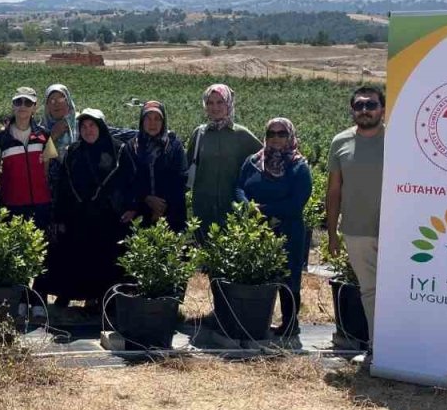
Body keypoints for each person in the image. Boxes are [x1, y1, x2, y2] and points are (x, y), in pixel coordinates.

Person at [38, 108, 137, 309]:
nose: (88, 130)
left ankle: (99, 301)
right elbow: (63, 187)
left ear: (100, 127)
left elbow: (131, 182)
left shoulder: (118, 150)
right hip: (77, 218)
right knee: (74, 260)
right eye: (83, 126)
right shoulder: (74, 151)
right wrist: (58, 217)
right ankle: (67, 295)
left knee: (103, 262)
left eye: (92, 125)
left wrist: (131, 207)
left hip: (109, 219)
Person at [234, 117, 312, 346]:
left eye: (281, 134)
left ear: (290, 136)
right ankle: (259, 321)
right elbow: (239, 186)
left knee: (289, 277)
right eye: (271, 134)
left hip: (288, 229)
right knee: (259, 275)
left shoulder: (299, 166)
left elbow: (296, 203)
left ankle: (290, 323)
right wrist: (246, 206)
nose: (276, 138)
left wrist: (263, 210)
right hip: (256, 228)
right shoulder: (253, 162)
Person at [327, 86, 386, 348]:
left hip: (395, 230)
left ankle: (400, 350)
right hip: (356, 229)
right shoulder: (340, 142)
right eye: (359, 105)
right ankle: (376, 348)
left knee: (397, 290)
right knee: (370, 290)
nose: (365, 110)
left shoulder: (399, 139)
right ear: (352, 110)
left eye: (371, 105)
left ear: (382, 109)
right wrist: (331, 234)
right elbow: (334, 190)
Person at [186, 83, 264, 240]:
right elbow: (187, 166)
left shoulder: (241, 135)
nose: (215, 107)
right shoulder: (200, 134)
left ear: (228, 103)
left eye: (220, 102)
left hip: (232, 206)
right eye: (210, 102)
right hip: (203, 206)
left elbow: (264, 159)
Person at [0, 86, 57, 231]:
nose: (22, 106)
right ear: (13, 106)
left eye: (27, 103)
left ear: (35, 107)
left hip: (41, 204)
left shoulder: (45, 135)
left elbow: (46, 170)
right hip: (12, 204)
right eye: (18, 102)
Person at [129, 101, 187, 232]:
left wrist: (160, 207)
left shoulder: (174, 146)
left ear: (163, 122)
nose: (152, 123)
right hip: (140, 214)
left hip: (171, 216)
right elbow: (127, 180)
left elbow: (180, 178)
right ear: (141, 121)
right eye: (148, 118)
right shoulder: (132, 147)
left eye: (157, 119)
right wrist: (146, 199)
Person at [42, 84, 76, 161]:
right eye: (52, 100)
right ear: (47, 106)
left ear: (68, 102)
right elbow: (41, 161)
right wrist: (52, 137)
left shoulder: (82, 125)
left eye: (61, 99)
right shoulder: (40, 130)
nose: (56, 104)